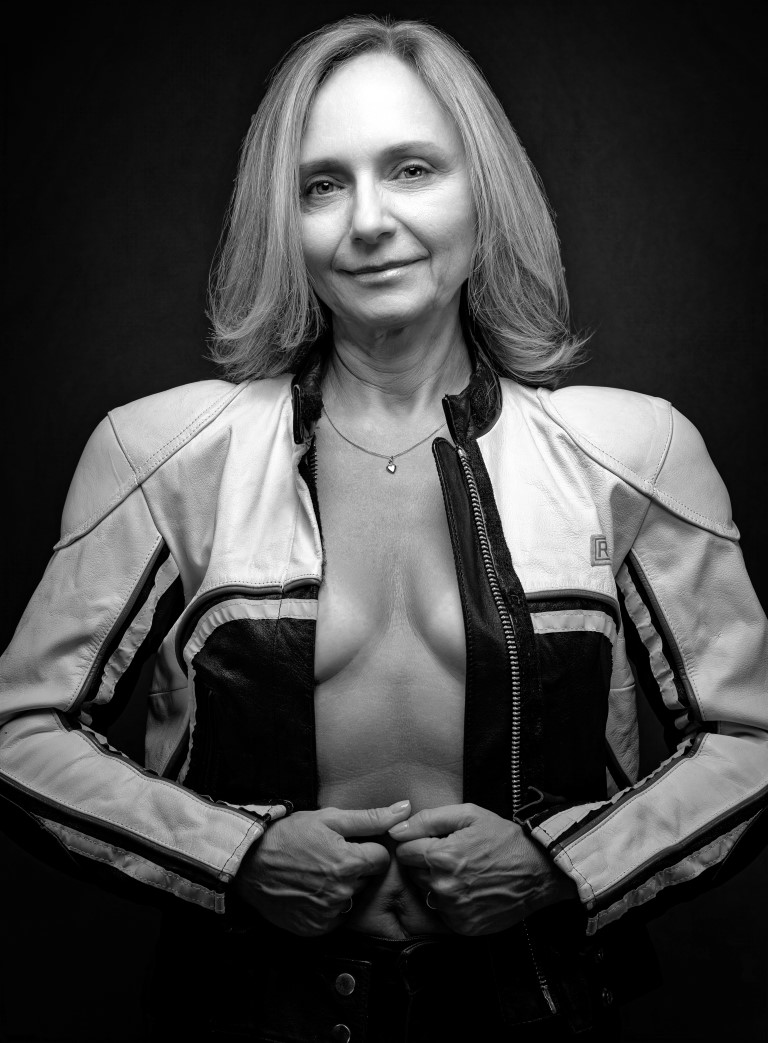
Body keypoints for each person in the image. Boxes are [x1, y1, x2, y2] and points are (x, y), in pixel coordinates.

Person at [0, 14, 766, 1043]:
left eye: (412, 169)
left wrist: (556, 865)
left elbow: (753, 740)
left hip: (532, 1013)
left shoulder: (634, 450)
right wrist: (237, 856)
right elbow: (20, 733)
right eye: (322, 184)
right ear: (285, 218)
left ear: (482, 191)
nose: (368, 220)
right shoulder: (160, 453)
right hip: (249, 1016)